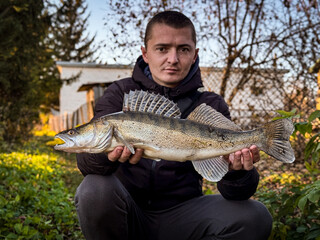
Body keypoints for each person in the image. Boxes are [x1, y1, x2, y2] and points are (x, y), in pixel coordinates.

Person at [75, 11, 272, 240]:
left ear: (195, 54)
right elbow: (88, 165)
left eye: (183, 49)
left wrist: (236, 171)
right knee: (94, 189)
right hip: (128, 214)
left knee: (254, 216)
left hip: (184, 217)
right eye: (162, 48)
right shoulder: (119, 93)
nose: (173, 59)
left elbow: (237, 192)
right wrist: (105, 156)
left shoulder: (210, 104)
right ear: (145, 53)